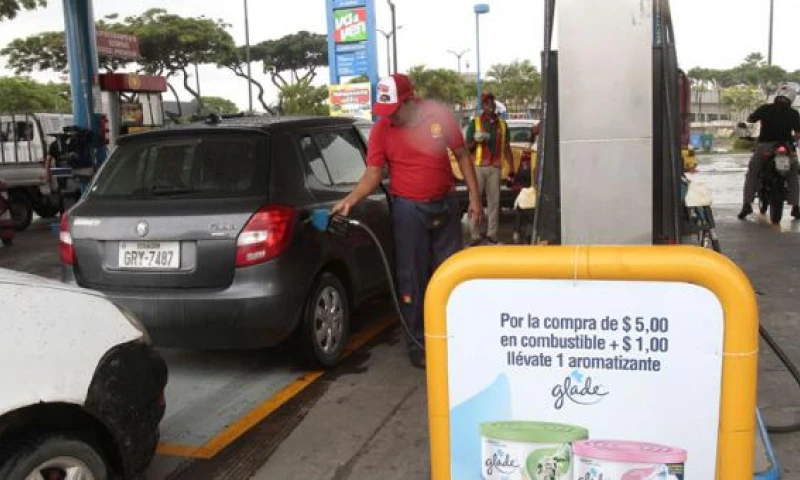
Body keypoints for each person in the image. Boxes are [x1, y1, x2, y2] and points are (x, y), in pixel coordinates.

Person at [331, 74, 484, 369]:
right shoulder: (381, 130)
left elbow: (463, 155)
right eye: (384, 111)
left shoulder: (438, 117)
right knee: (411, 278)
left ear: (409, 100)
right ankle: (418, 342)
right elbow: (373, 174)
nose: (390, 116)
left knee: (450, 276)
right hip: (409, 211)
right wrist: (350, 200)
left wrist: (475, 200)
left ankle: (454, 338)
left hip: (445, 206)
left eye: (393, 110)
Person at [738, 84, 800, 220]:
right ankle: (796, 207)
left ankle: (747, 204)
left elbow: (750, 120)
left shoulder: (765, 109)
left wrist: (749, 125)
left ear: (777, 95)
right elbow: (798, 133)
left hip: (765, 146)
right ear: (792, 98)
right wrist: (793, 140)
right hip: (786, 147)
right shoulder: (794, 113)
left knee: (753, 172)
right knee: (793, 174)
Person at [465, 92, 515, 244]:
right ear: (483, 106)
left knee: (494, 202)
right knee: (475, 198)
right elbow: (467, 147)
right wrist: (475, 140)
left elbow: (506, 147)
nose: (490, 105)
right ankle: (474, 234)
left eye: (492, 102)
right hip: (479, 166)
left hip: (495, 166)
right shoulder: (475, 123)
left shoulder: (503, 125)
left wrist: (512, 168)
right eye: (486, 103)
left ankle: (492, 234)